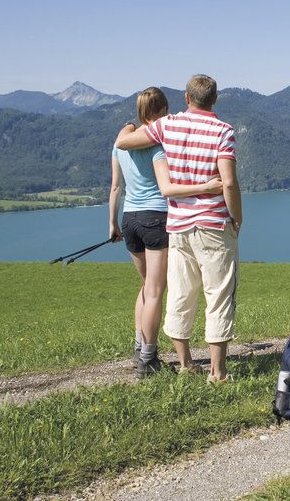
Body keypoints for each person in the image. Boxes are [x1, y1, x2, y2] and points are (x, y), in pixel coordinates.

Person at [116, 74, 242, 383]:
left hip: (178, 225)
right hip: (213, 224)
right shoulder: (223, 131)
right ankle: (217, 371)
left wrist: (131, 127)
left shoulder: (166, 125)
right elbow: (227, 182)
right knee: (218, 295)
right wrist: (237, 217)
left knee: (181, 294)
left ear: (186, 98)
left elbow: (123, 142)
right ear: (214, 99)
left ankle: (185, 363)